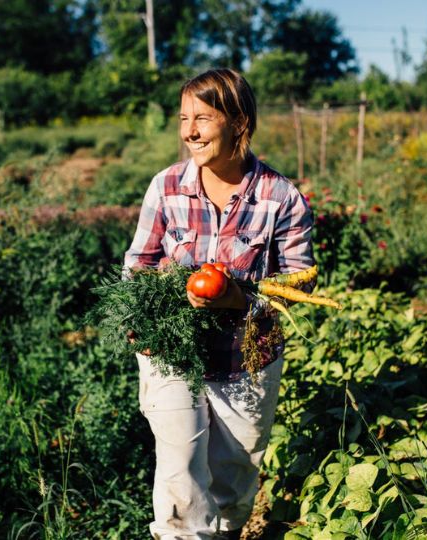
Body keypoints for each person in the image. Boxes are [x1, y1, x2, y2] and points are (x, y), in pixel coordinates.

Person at [124, 68, 314, 540]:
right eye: (184, 117)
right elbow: (137, 264)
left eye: (203, 119)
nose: (189, 131)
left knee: (233, 484)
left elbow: (299, 282)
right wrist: (154, 296)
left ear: (238, 122)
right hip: (172, 353)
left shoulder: (280, 196)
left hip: (245, 362)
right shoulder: (166, 187)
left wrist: (238, 300)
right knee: (181, 480)